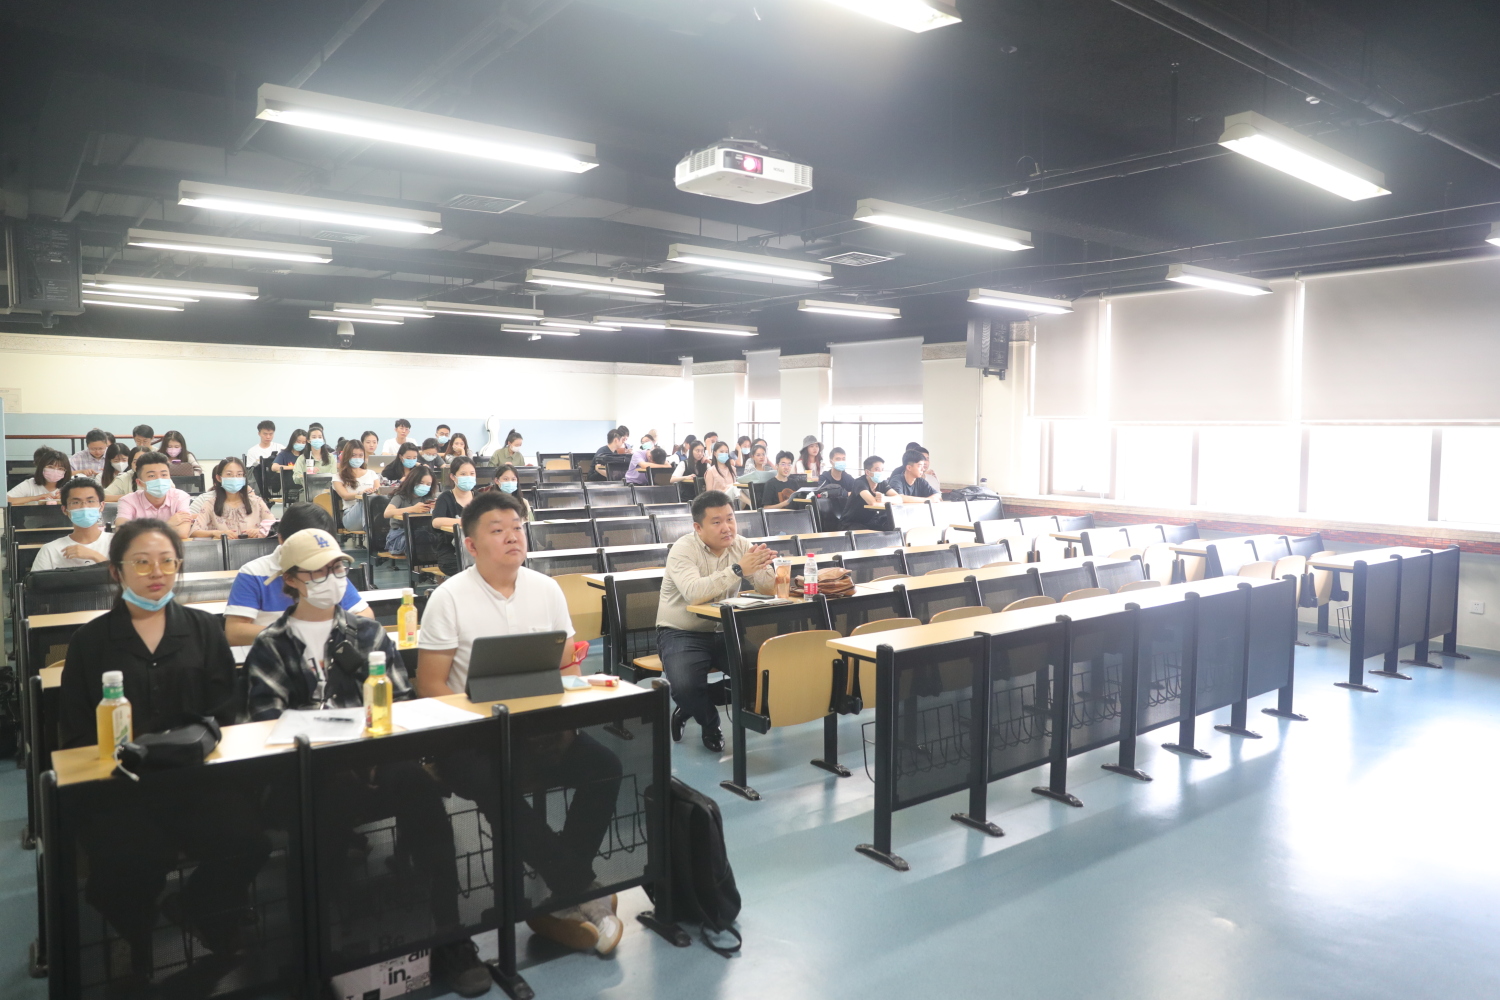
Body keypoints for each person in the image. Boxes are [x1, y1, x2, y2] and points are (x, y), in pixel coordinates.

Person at [243, 528, 492, 996]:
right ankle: (316, 954)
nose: (333, 577)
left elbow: (400, 703)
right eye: (318, 571)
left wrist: (379, 753)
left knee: (421, 793)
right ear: (291, 580)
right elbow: (267, 724)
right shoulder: (272, 645)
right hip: (310, 773)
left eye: (337, 567)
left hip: (378, 759)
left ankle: (449, 934)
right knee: (322, 813)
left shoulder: (369, 633)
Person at [415, 490, 624, 956]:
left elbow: (567, 665)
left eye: (517, 528)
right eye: (498, 530)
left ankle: (559, 894)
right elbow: (429, 684)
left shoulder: (545, 589)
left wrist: (565, 717)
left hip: (538, 728)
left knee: (605, 765)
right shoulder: (449, 598)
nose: (513, 537)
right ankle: (578, 889)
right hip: (470, 739)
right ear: (471, 545)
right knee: (499, 783)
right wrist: (480, 721)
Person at [59, 518, 266, 971]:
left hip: (195, 777)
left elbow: (224, 711)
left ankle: (199, 907)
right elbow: (75, 730)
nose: (156, 572)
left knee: (248, 840)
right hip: (121, 785)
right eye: (141, 562)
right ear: (116, 571)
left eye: (167, 562)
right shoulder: (90, 641)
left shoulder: (203, 629)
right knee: (127, 861)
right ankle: (135, 936)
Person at [657, 490, 775, 752]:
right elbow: (694, 593)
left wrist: (765, 568)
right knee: (686, 686)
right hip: (681, 632)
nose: (727, 527)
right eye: (717, 522)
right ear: (698, 527)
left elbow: (768, 589)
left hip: (725, 630)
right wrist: (738, 569)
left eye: (730, 519)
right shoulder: (683, 549)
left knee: (762, 675)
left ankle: (689, 707)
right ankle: (710, 724)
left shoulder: (741, 545)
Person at [224, 502, 373, 646]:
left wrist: (332, 632)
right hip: (272, 654)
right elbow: (235, 632)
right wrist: (294, 635)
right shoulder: (253, 573)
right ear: (282, 539)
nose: (317, 552)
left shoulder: (331, 571)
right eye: (306, 545)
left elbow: (365, 615)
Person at [32, 476, 112, 570]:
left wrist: (95, 556)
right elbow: (37, 579)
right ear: (64, 509)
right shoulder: (50, 550)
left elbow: (125, 577)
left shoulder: (118, 543)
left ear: (101, 506)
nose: (84, 507)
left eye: (90, 501)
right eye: (76, 502)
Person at [114, 451, 196, 537]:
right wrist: (167, 525)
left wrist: (141, 531)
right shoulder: (128, 501)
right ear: (139, 482)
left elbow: (182, 532)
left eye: (164, 474)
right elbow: (123, 532)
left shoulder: (180, 497)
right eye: (152, 476)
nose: (159, 479)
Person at [190, 458, 273, 538]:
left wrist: (260, 531)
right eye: (229, 474)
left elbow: (274, 526)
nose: (235, 478)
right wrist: (215, 533)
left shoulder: (257, 502)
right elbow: (194, 531)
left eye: (239, 474)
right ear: (219, 478)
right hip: (222, 547)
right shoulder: (210, 504)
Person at [431, 456, 477, 576]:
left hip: (478, 550)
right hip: (451, 552)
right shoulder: (445, 498)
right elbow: (436, 522)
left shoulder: (480, 498)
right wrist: (464, 522)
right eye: (463, 474)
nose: (468, 477)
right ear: (453, 476)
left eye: (472, 473)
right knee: (469, 571)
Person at [383, 464, 437, 555]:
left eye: (428, 484)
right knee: (421, 538)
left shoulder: (428, 498)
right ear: (412, 481)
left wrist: (437, 507)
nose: (425, 486)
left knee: (433, 537)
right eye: (421, 483)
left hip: (422, 533)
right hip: (400, 534)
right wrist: (412, 509)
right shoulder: (401, 496)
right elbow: (387, 513)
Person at [332, 441, 380, 532]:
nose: (357, 458)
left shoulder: (371, 473)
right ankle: (371, 533)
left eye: (360, 455)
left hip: (372, 512)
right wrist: (361, 493)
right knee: (364, 501)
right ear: (347, 456)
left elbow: (379, 491)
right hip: (350, 515)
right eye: (353, 455)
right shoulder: (338, 476)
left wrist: (373, 492)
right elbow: (345, 496)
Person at [842, 455, 891, 530]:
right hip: (851, 523)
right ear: (867, 472)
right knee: (870, 533)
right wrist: (888, 501)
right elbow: (872, 502)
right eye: (877, 470)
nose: (880, 472)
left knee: (889, 528)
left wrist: (884, 499)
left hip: (869, 522)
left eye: (882, 470)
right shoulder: (860, 482)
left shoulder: (882, 483)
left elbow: (899, 498)